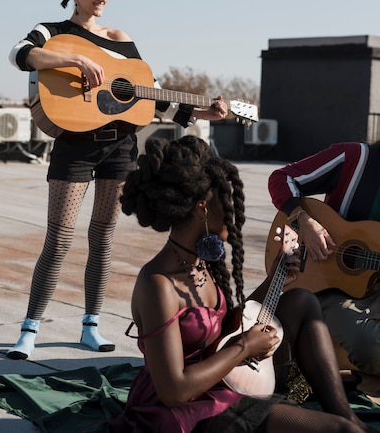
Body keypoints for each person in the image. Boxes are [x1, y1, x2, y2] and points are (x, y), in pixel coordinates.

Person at [7, 0, 228, 360]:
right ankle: (29, 329)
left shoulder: (121, 38)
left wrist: (201, 113)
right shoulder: (53, 32)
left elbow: (150, 92)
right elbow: (20, 53)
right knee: (58, 239)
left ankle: (90, 325)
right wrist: (74, 60)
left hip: (120, 148)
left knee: (102, 236)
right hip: (74, 144)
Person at [108, 135, 374, 433]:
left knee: (300, 299)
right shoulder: (158, 284)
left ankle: (345, 413)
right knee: (340, 432)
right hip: (188, 411)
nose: (235, 216)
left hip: (220, 376)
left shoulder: (199, 261)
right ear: (202, 209)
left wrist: (275, 280)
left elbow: (225, 326)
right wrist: (245, 347)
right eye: (228, 203)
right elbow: (174, 391)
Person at [268, 140, 380, 377]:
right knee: (369, 347)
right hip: (327, 285)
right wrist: (304, 221)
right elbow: (282, 178)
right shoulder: (355, 157)